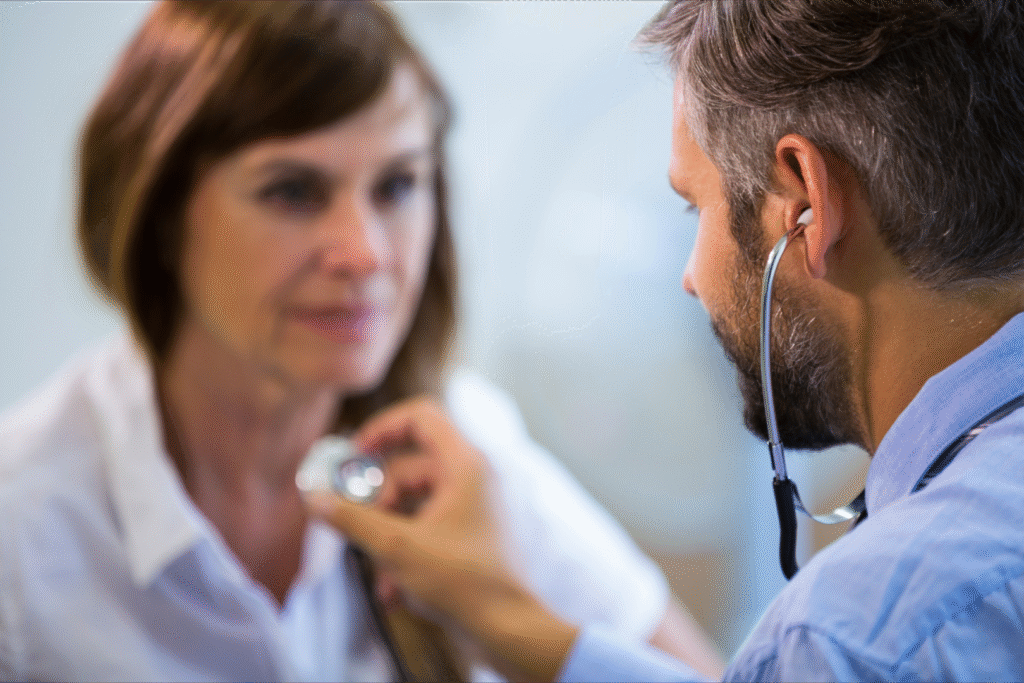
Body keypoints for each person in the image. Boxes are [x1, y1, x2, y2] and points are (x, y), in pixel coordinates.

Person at [0, 1, 725, 681]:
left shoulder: (461, 450)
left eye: (397, 185)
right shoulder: (25, 523)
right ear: (161, 215)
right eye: (292, 191)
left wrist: (504, 618)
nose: (366, 252)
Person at [308, 0, 1024, 681]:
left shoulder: (855, 635)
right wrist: (519, 627)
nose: (686, 277)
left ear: (806, 202)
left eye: (695, 205)